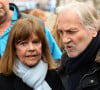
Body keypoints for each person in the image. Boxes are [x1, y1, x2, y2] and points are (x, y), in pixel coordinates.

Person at [0, 18, 65, 90]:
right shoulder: (3, 80)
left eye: (35, 42)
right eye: (23, 44)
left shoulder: (53, 75)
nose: (31, 48)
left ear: (42, 46)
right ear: (14, 49)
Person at [57, 1, 100, 90]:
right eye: (61, 32)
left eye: (71, 32)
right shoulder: (60, 69)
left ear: (93, 30)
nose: (65, 40)